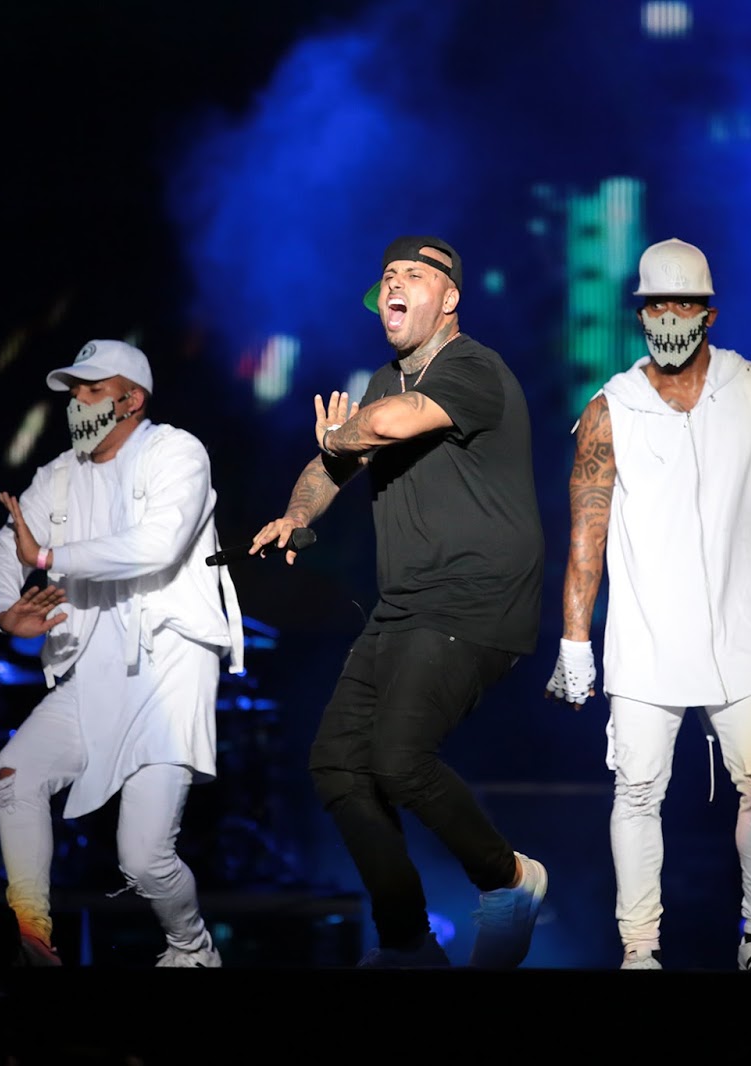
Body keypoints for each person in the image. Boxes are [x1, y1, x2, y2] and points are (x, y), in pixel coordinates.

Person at [248, 235, 548, 968]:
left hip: (476, 599)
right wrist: (296, 516)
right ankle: (407, 940)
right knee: (338, 765)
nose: (395, 285)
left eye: (415, 274)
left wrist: (341, 437)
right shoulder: (385, 380)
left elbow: (383, 426)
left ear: (449, 298)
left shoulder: (473, 366)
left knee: (399, 758)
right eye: (387, 275)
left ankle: (510, 880)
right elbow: (333, 462)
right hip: (408, 606)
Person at [546, 237, 751, 971]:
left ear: (710, 312)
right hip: (645, 638)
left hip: (743, 633)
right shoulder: (611, 409)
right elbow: (586, 530)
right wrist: (575, 642)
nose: (668, 316)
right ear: (639, 313)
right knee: (637, 792)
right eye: (655, 304)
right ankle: (640, 951)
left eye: (683, 302)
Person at [0, 338, 245, 967]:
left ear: (132, 399)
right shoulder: (58, 476)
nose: (79, 401)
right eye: (74, 391)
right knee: (16, 772)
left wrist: (50, 557)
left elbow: (157, 544)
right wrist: (4, 611)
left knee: (144, 858)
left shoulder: (175, 452)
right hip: (90, 670)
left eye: (93, 389)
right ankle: (32, 934)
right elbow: (4, 550)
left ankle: (191, 947)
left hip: (168, 670)